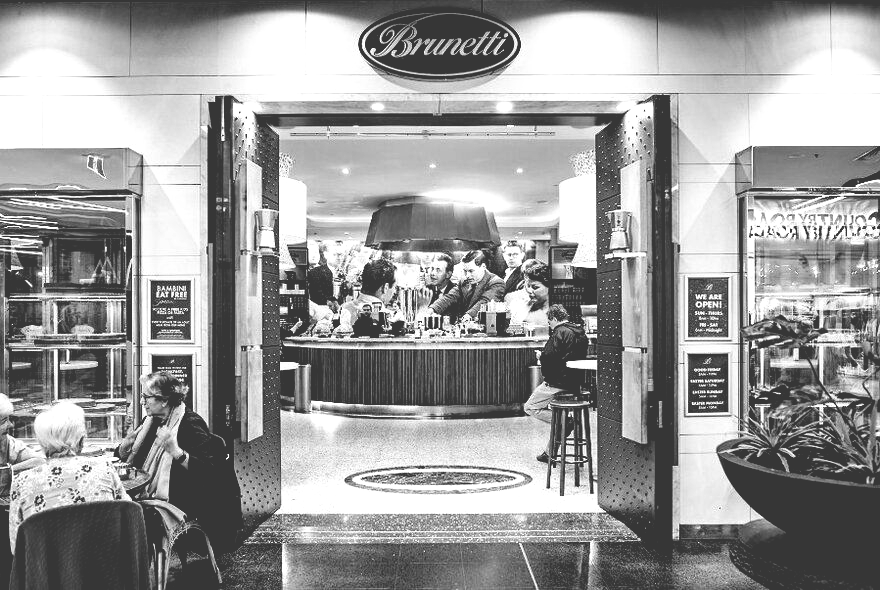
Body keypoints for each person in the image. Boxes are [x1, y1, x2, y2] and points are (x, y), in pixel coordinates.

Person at [116, 372, 240, 549]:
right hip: (153, 493)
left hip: (185, 500)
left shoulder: (190, 424)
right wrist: (124, 446)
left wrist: (177, 452)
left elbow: (209, 472)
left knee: (123, 515)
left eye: (146, 397)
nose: (142, 402)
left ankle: (133, 571)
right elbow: (129, 459)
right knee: (117, 510)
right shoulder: (150, 422)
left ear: (164, 400)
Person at [9, 402, 130, 553]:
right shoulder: (105, 470)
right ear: (81, 441)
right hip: (102, 570)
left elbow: (16, 548)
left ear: (42, 444)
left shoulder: (21, 483)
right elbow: (129, 518)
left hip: (46, 573)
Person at [523, 304, 590, 463]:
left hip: (558, 382)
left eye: (549, 321)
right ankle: (549, 452)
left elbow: (549, 358)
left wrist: (541, 357)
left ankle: (565, 422)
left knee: (530, 407)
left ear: (554, 318)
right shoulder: (580, 332)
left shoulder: (559, 332)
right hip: (575, 383)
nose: (549, 324)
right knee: (560, 417)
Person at [429, 250, 505, 320]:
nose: (467, 275)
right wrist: (432, 309)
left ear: (483, 267)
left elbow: (485, 302)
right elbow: (449, 297)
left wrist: (468, 316)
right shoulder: (464, 281)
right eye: (465, 271)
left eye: (471, 271)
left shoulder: (496, 283)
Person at [340, 258, 397, 327]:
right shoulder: (388, 319)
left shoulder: (343, 308)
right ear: (385, 287)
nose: (395, 292)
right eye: (395, 287)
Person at [507, 261, 551, 333]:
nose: (529, 291)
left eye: (535, 287)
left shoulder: (558, 311)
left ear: (549, 288)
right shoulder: (519, 307)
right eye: (528, 286)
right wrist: (524, 328)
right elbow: (510, 330)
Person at [414, 253, 456, 318]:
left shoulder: (455, 292)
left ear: (448, 274)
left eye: (438, 270)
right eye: (432, 269)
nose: (432, 273)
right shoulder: (426, 291)